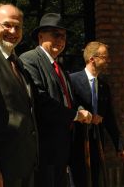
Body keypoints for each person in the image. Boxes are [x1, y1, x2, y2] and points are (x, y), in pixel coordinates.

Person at [19, 13, 92, 187]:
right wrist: (76, 115)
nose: (60, 40)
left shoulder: (58, 66)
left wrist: (81, 109)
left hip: (62, 147)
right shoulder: (29, 60)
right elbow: (41, 102)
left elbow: (70, 98)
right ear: (40, 36)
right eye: (55, 35)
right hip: (44, 148)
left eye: (64, 36)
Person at [0, 3, 38, 187]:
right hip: (3, 168)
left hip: (25, 163)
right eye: (7, 24)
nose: (13, 31)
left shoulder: (17, 62)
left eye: (18, 26)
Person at [69, 41, 124, 187]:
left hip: (97, 142)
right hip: (76, 142)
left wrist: (119, 146)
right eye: (104, 57)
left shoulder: (103, 86)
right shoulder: (72, 80)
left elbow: (109, 118)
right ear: (92, 59)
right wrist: (85, 115)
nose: (108, 61)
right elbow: (69, 108)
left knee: (95, 180)